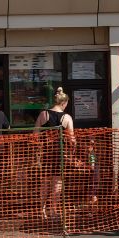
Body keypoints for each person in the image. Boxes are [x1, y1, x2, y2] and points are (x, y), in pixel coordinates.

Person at [34, 86, 76, 227]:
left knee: (45, 182)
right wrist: (73, 150)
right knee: (57, 182)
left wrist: (39, 148)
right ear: (64, 103)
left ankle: (41, 210)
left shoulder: (43, 115)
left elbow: (35, 134)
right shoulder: (67, 117)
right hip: (61, 154)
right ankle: (53, 210)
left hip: (46, 153)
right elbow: (72, 139)